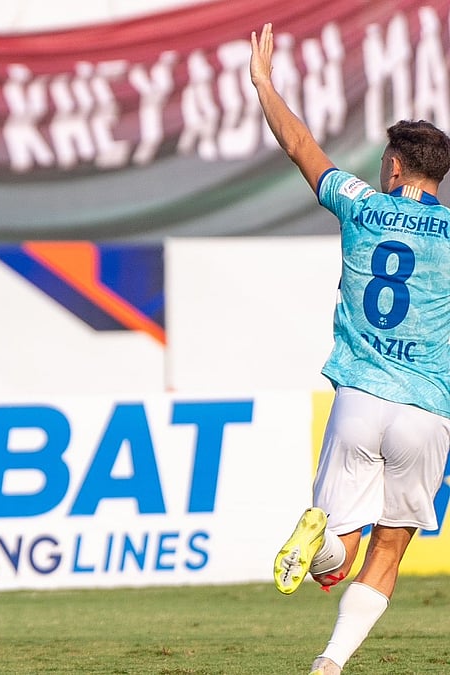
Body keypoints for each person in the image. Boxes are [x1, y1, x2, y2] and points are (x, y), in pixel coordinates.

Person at [250, 22, 450, 675]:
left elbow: (301, 143)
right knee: (390, 551)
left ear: (393, 166)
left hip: (360, 394)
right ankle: (329, 663)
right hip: (426, 405)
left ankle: (323, 543)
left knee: (333, 556)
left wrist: (265, 84)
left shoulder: (361, 205)